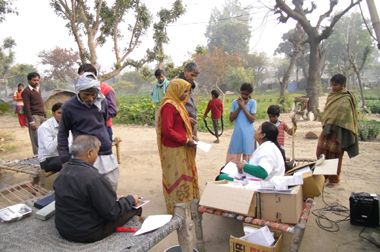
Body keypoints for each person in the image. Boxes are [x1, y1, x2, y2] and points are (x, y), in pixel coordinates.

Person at [54, 135, 141, 243]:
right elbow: (112, 212)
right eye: (97, 153)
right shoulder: (93, 177)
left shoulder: (63, 171)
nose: (97, 156)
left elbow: (80, 197)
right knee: (136, 208)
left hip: (63, 229)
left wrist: (112, 197)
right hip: (87, 233)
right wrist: (131, 199)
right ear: (89, 153)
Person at [58, 72, 119, 191]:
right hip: (84, 154)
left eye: (93, 94)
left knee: (110, 185)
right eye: (86, 94)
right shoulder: (69, 106)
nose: (90, 98)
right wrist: (64, 159)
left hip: (104, 151)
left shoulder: (102, 101)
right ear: (79, 91)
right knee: (89, 190)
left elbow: (103, 123)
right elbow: (62, 133)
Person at [157, 78, 200, 215]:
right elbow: (167, 130)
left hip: (182, 146)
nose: (185, 94)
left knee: (184, 175)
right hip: (174, 148)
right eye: (184, 91)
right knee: (176, 177)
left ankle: (186, 203)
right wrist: (185, 140)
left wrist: (190, 135)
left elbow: (179, 124)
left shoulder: (178, 104)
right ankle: (177, 208)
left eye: (187, 91)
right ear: (175, 90)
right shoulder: (169, 106)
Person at [316, 74, 359, 187]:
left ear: (343, 84)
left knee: (334, 154)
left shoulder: (347, 98)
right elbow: (328, 112)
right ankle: (323, 176)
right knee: (321, 152)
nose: (333, 87)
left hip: (338, 131)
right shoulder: (331, 95)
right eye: (332, 85)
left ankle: (333, 180)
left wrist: (336, 125)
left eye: (336, 85)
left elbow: (348, 116)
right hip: (327, 130)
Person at [218, 122, 286, 181]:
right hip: (257, 181)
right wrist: (244, 165)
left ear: (263, 135)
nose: (255, 130)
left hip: (262, 185)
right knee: (224, 169)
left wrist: (244, 166)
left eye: (258, 129)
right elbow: (255, 162)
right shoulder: (266, 146)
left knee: (220, 177)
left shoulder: (267, 149)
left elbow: (263, 172)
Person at [78, 64, 117, 141]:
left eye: (84, 76)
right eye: (80, 77)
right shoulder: (81, 91)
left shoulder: (107, 89)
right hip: (85, 129)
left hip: (103, 129)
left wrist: (94, 116)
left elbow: (112, 111)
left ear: (93, 74)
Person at [225, 83, 256, 164]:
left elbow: (252, 119)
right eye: (242, 93)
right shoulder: (235, 102)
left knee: (248, 156)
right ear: (240, 92)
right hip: (238, 132)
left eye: (247, 94)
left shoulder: (252, 102)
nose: (244, 96)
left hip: (248, 133)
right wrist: (239, 107)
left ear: (250, 94)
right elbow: (231, 118)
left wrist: (243, 107)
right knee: (234, 154)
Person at [38, 102, 70, 172]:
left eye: (64, 113)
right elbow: (50, 149)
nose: (62, 115)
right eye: (59, 113)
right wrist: (61, 133)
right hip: (47, 160)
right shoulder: (45, 127)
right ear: (53, 113)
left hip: (61, 156)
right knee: (73, 162)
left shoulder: (66, 124)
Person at [21, 72, 47, 155]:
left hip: (41, 115)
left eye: (37, 80)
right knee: (35, 137)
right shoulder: (26, 91)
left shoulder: (38, 90)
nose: (36, 82)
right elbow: (26, 107)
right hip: (34, 116)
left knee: (44, 135)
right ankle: (37, 155)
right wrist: (31, 121)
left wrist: (45, 116)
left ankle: (45, 154)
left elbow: (41, 104)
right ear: (29, 81)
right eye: (34, 80)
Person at [175, 62, 200, 136]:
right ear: (185, 71)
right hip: (181, 122)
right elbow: (172, 107)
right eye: (192, 75)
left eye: (195, 76)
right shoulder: (175, 85)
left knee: (193, 144)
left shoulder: (190, 83)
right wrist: (185, 118)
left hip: (192, 120)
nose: (193, 78)